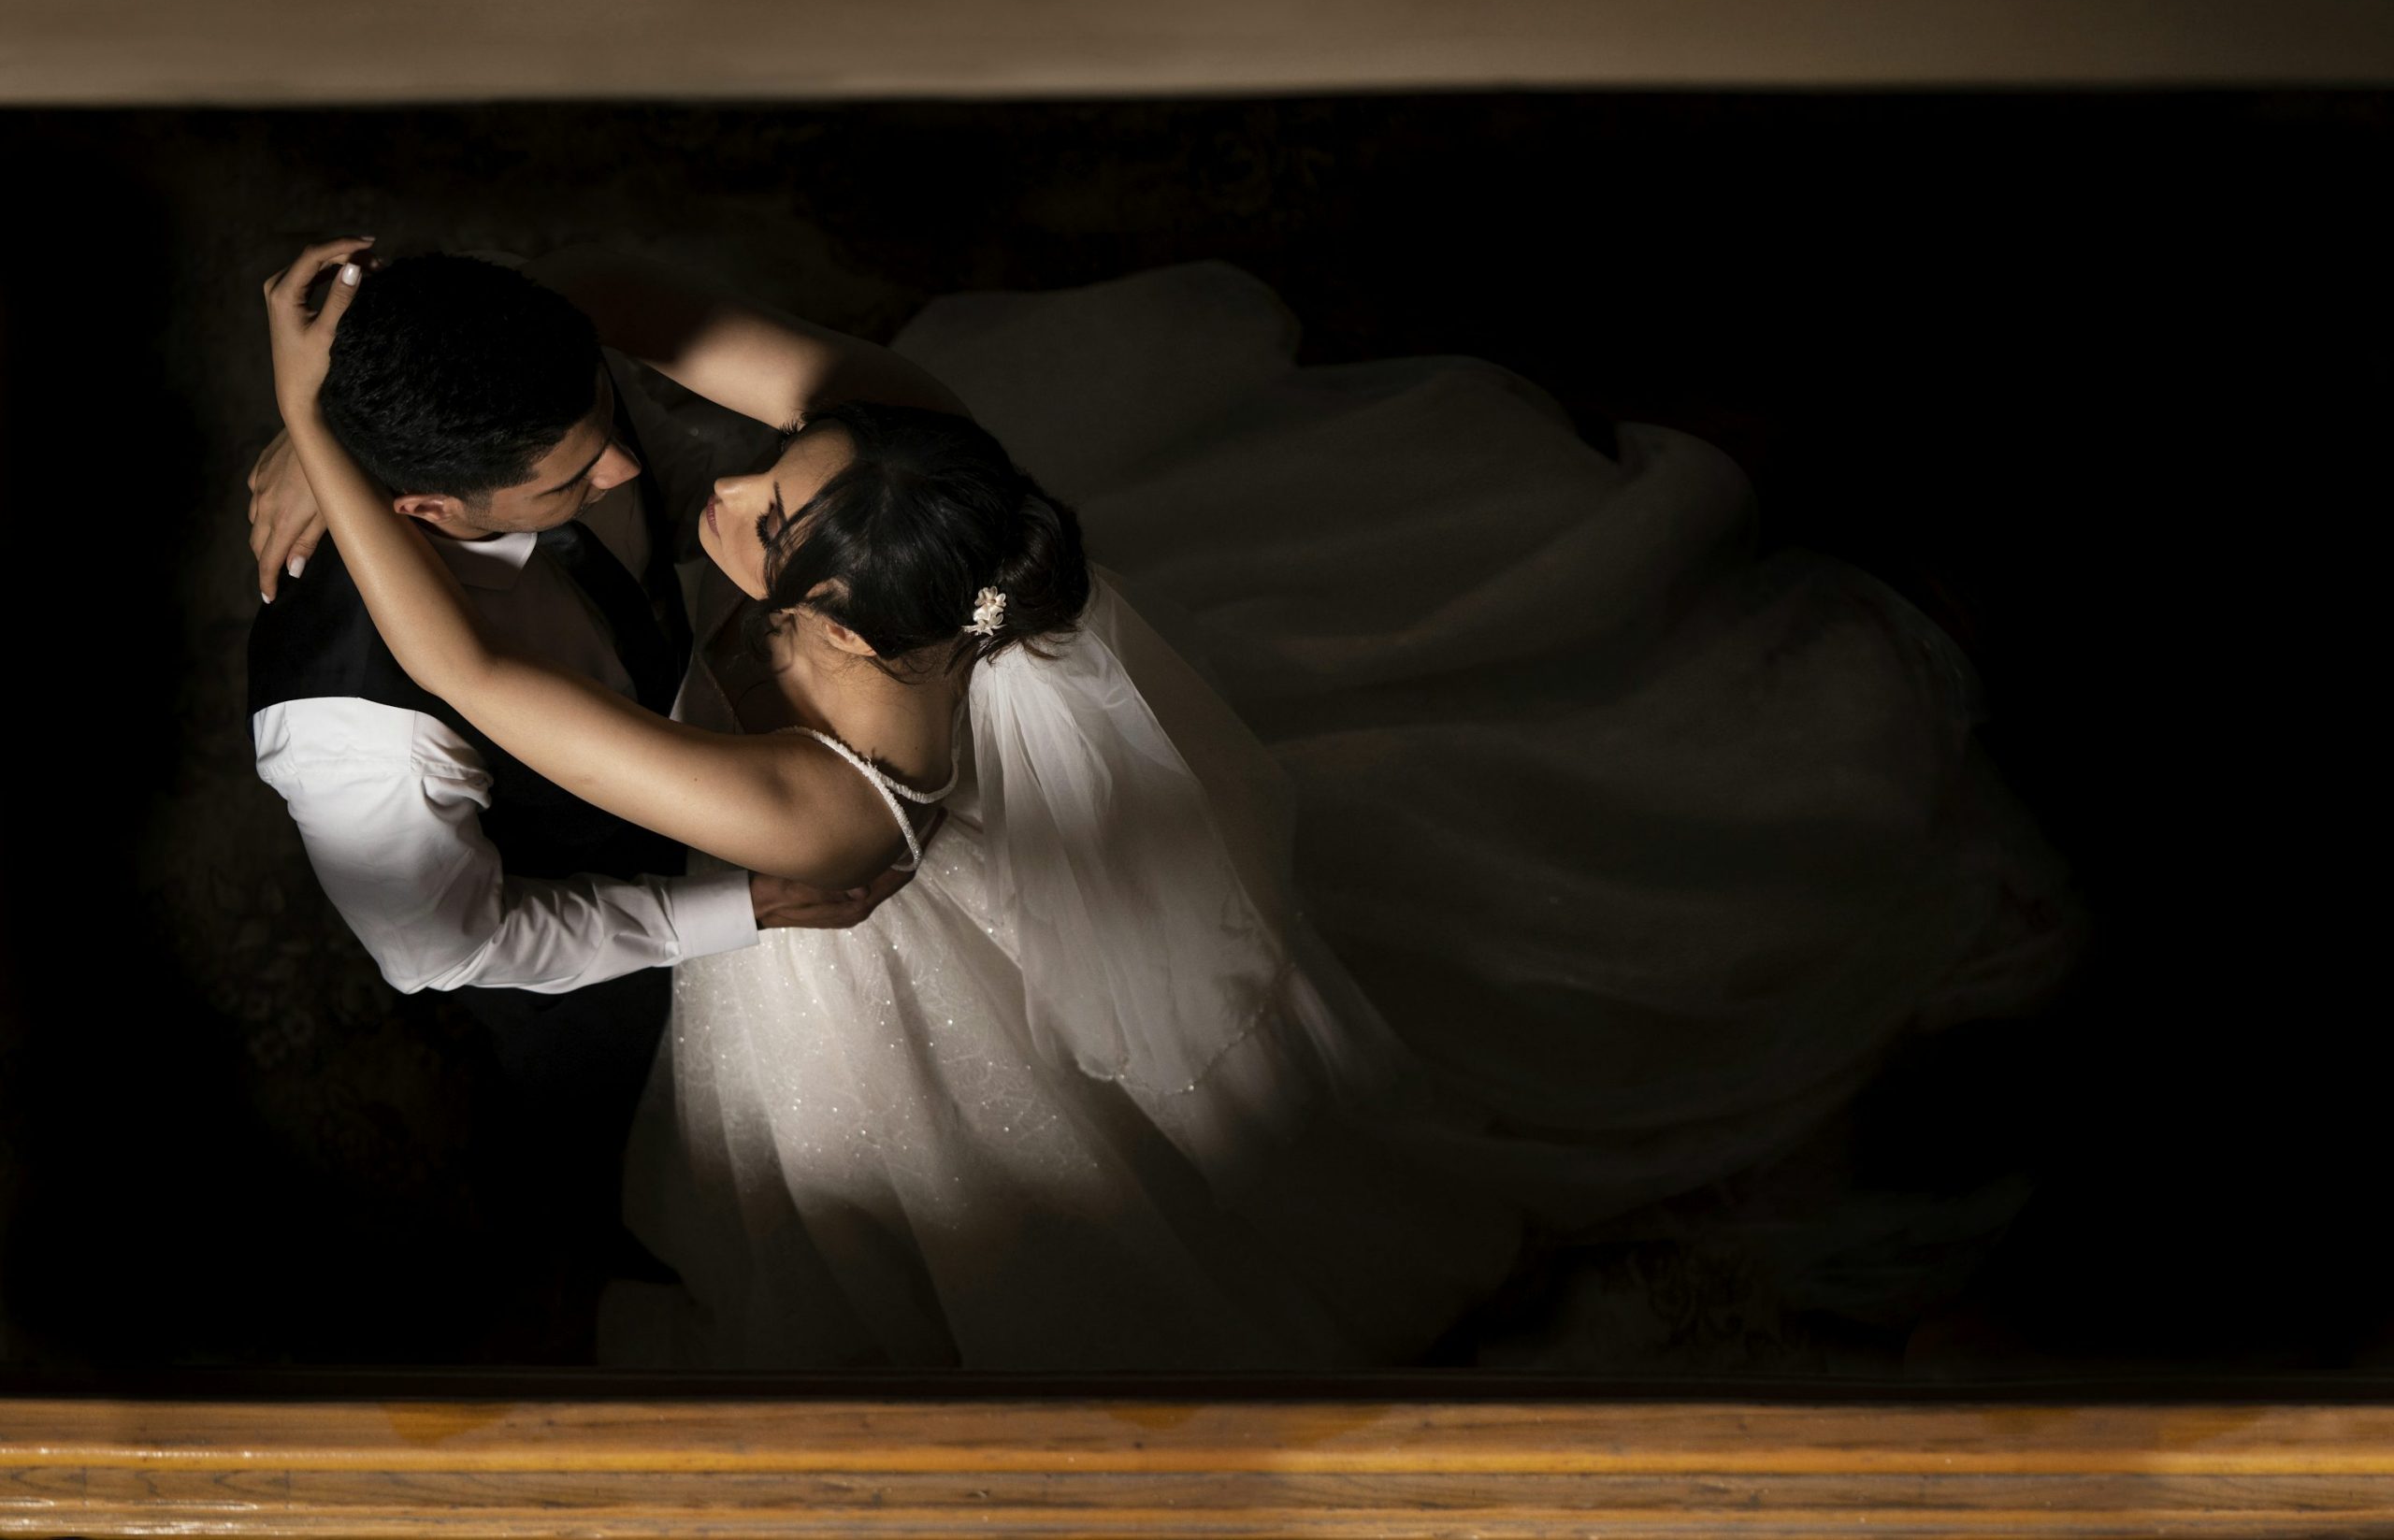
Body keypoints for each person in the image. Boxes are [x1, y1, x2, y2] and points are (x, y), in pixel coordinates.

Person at [258, 237, 2085, 1369]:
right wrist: (396, 378)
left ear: (841, 628)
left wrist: (313, 426)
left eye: (766, 514)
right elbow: (671, 319)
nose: (700, 486)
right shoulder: (940, 467)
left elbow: (482, 677)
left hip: (885, 979)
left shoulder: (828, 816)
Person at [244, 248, 929, 1287]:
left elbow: (661, 468)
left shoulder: (559, 396)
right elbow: (450, 944)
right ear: (426, 510)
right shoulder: (352, 725)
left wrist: (314, 422)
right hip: (581, 941)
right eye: (568, 482)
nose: (619, 467)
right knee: (615, 1140)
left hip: (713, 754)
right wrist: (732, 909)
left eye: (605, 419)